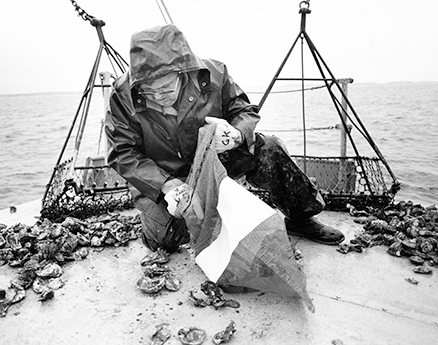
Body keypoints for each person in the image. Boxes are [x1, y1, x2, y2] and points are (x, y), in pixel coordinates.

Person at [105, 24, 344, 253]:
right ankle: (156, 221)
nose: (159, 97)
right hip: (166, 175)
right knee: (165, 240)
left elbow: (244, 110)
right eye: (149, 92)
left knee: (269, 148)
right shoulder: (121, 95)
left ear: (182, 73)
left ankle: (300, 218)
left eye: (166, 89)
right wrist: (166, 186)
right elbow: (123, 153)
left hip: (217, 162)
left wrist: (236, 134)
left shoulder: (215, 73)